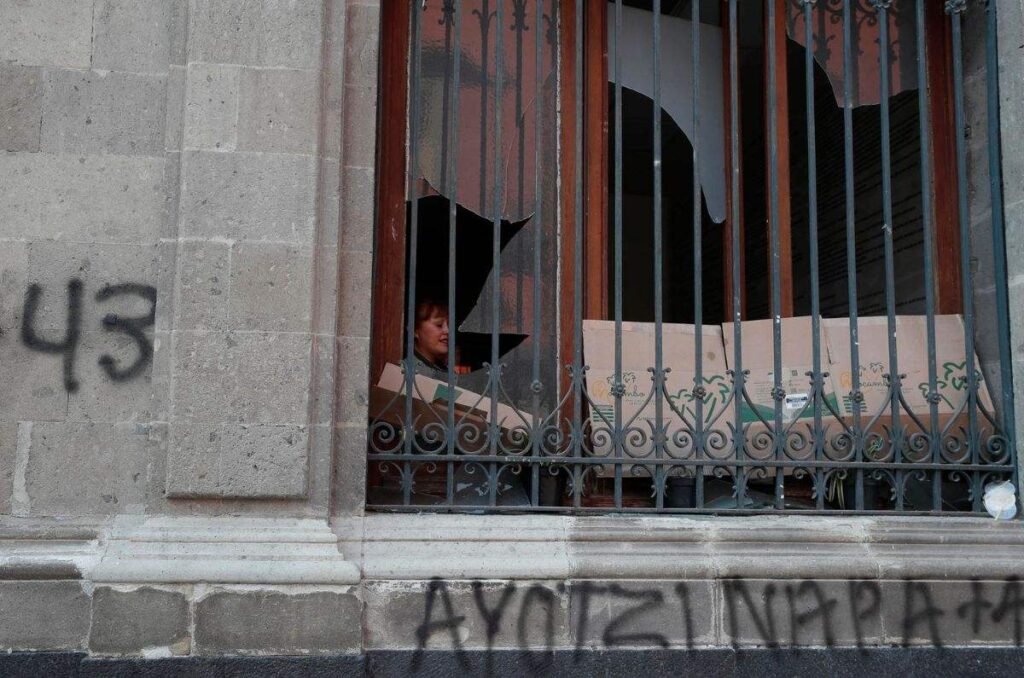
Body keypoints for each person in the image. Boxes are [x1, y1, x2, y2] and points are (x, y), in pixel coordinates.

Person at [412, 298, 450, 376]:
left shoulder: (447, 373)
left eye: (449, 325)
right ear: (415, 330)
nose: (447, 331)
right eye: (439, 325)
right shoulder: (402, 371)